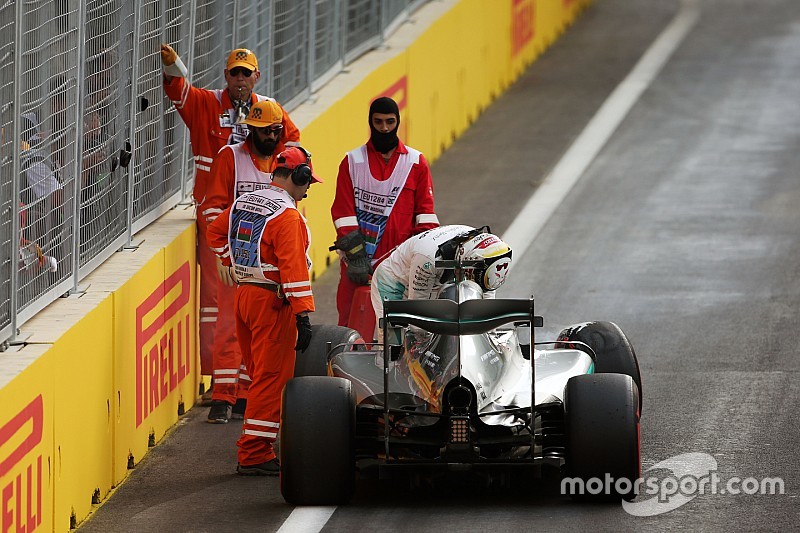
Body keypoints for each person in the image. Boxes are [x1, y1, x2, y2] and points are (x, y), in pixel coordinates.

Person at [160, 43, 301, 397]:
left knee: (255, 302)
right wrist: (174, 65)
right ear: (226, 76)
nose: (240, 79)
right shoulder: (208, 103)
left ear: (257, 76)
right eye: (234, 72)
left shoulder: (268, 111)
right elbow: (179, 92)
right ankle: (217, 381)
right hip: (217, 216)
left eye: (246, 72)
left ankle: (242, 382)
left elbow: (295, 146)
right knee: (216, 302)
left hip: (261, 224)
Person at [206, 146, 322, 475]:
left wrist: (230, 260)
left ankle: (257, 445)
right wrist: (303, 314)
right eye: (308, 180)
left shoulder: (246, 201)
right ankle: (255, 452)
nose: (309, 187)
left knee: (259, 376)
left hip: (244, 296)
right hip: (273, 303)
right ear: (298, 177)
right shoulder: (288, 217)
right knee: (270, 379)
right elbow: (294, 268)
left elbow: (215, 233)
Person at [199, 99, 286, 423]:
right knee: (228, 327)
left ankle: (246, 396)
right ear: (249, 130)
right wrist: (222, 255)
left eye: (273, 131)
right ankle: (222, 395)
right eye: (260, 131)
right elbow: (212, 207)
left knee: (263, 333)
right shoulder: (230, 157)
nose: (266, 136)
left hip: (270, 266)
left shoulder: (285, 162)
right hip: (236, 260)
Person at [330, 96, 439, 326]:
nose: (385, 128)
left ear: (398, 121)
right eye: (378, 122)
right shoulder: (351, 161)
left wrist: (417, 258)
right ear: (370, 122)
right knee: (352, 327)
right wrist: (357, 257)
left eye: (390, 122)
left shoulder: (416, 162)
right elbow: (343, 213)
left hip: (399, 265)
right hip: (358, 265)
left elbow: (426, 218)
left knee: (400, 330)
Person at [370, 225, 513, 321]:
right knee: (396, 344)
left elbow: (486, 298)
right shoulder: (429, 258)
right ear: (468, 259)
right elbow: (417, 308)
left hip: (432, 281)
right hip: (393, 281)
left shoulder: (480, 249)